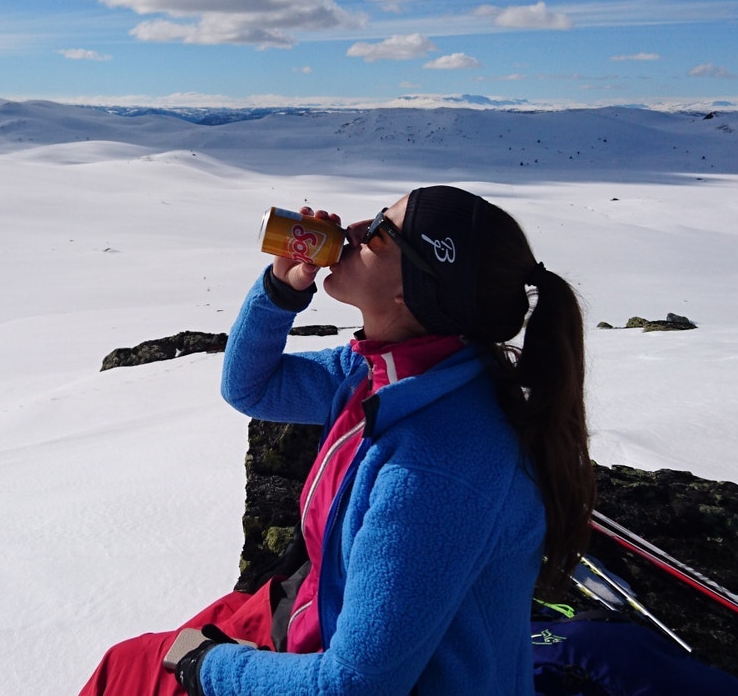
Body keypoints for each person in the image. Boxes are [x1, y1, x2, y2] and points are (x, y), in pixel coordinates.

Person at [81, 186, 594, 696]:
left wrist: (206, 666)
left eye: (379, 233)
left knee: (127, 675)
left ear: (412, 290)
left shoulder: (432, 471)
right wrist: (282, 290)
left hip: (338, 665)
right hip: (314, 612)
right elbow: (250, 386)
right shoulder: (393, 371)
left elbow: (353, 686)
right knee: (126, 663)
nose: (352, 231)